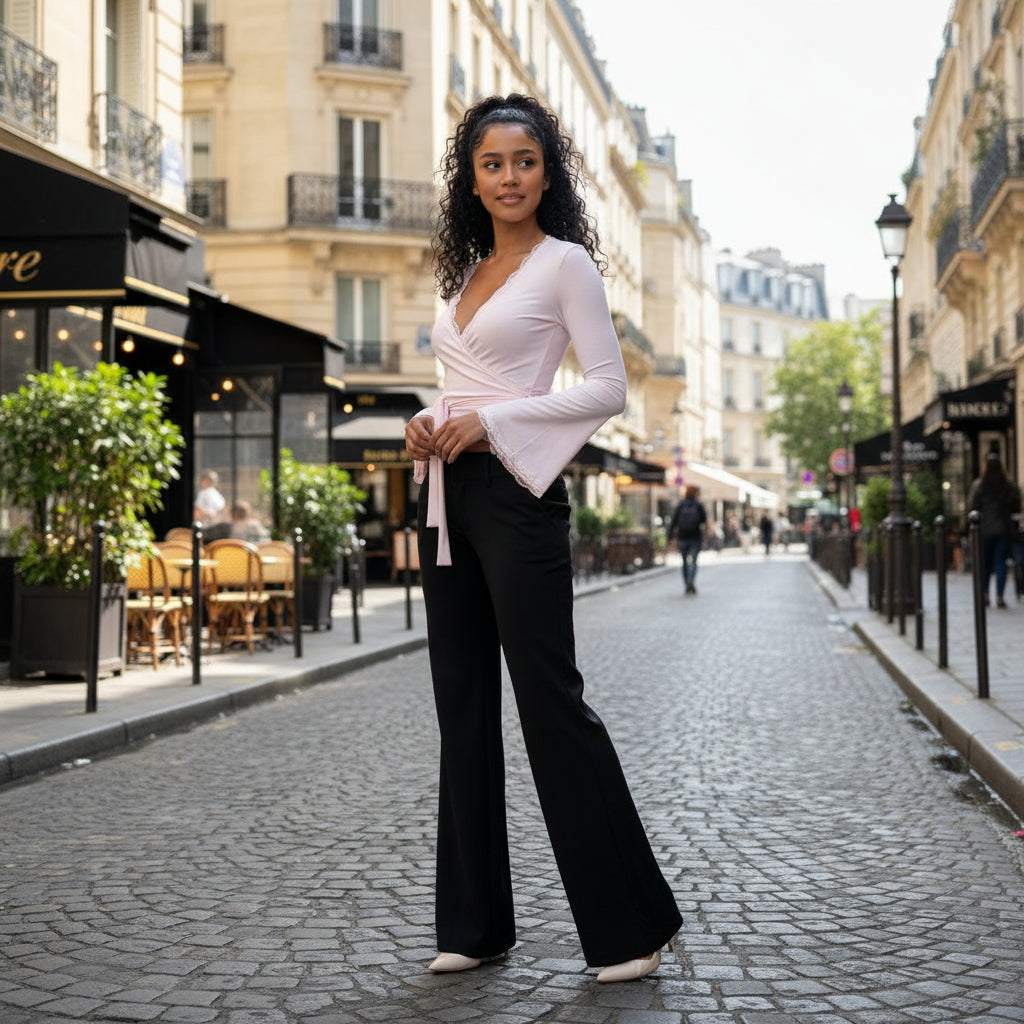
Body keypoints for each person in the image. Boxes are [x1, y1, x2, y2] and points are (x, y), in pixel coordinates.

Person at [404, 93, 681, 984]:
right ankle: (475, 924)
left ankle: (629, 927)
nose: (509, 177)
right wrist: (430, 418)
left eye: (524, 161)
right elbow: (460, 382)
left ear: (546, 172)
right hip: (446, 493)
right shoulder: (465, 276)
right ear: (472, 179)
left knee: (549, 700)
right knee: (462, 710)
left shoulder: (566, 266)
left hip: (520, 494)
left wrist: (490, 423)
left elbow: (605, 390)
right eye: (492, 164)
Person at [968, 453, 1022, 608]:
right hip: (1003, 529)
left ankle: (985, 594)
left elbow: (972, 507)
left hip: (984, 529)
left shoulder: (979, 485)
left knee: (985, 564)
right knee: (1000, 563)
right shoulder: (1008, 485)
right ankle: (999, 595)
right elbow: (1016, 506)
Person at [668, 485, 707, 594]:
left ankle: (686, 582)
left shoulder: (681, 504)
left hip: (682, 537)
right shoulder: (698, 505)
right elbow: (704, 521)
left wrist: (670, 537)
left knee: (684, 562)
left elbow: (674, 522)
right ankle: (691, 580)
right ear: (696, 493)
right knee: (694, 561)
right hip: (695, 537)